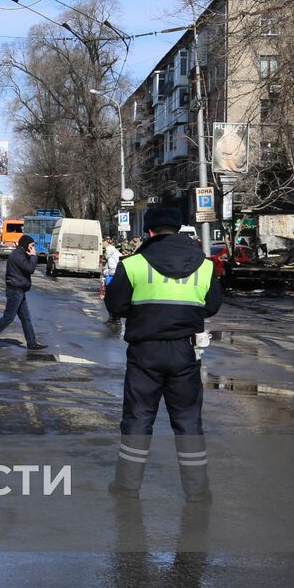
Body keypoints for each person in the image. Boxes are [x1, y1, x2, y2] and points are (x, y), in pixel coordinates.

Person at [104, 206, 222, 502]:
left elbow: (115, 307)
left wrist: (145, 313)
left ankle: (127, 487)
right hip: (186, 351)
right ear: (179, 228)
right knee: (188, 421)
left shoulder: (134, 264)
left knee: (138, 419)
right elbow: (212, 305)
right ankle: (198, 491)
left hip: (145, 351)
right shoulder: (204, 265)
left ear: (150, 231)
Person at [0, 234, 44, 350]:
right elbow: (30, 269)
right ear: (25, 245)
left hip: (19, 290)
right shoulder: (18, 256)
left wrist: (31, 256)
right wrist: (34, 256)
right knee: (8, 317)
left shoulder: (21, 254)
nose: (33, 248)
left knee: (26, 318)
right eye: (31, 246)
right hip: (15, 290)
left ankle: (32, 343)